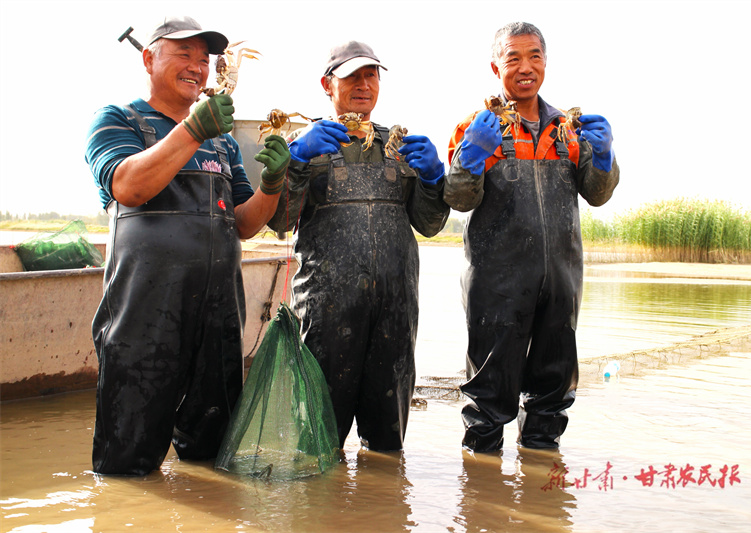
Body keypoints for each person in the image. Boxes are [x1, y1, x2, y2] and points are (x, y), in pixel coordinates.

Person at [84, 16, 291, 475]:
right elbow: (129, 186)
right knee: (126, 467)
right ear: (148, 58)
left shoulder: (223, 143)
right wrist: (193, 129)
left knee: (212, 461)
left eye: (204, 59)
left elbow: (243, 225)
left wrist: (272, 186)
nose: (197, 67)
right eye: (184, 54)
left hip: (217, 319)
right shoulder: (119, 120)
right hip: (144, 318)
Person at [444, 22, 620, 452]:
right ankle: (485, 500)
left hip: (560, 284)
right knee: (487, 403)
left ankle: (540, 495)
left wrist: (606, 157)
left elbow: (597, 194)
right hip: (496, 288)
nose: (525, 68)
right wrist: (470, 157)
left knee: (552, 399)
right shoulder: (476, 126)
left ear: (545, 63)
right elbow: (459, 199)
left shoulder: (568, 130)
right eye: (513, 58)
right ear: (495, 66)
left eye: (534, 57)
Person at [267, 41, 450, 451]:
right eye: (352, 76)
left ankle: (380, 511)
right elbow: (279, 221)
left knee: (387, 447)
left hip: (395, 313)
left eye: (371, 75)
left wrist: (435, 179)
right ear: (327, 85)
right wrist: (295, 161)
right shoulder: (305, 143)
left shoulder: (399, 146)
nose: (363, 84)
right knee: (318, 443)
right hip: (324, 311)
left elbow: (430, 223)